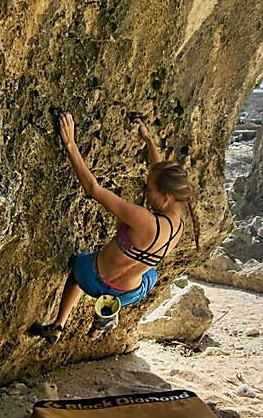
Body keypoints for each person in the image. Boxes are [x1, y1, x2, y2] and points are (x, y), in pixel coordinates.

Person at [28, 112, 201, 344]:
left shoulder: (143, 218)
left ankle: (58, 325)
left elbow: (93, 189)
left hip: (92, 278)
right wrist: (148, 140)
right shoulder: (178, 227)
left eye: (149, 190)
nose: (146, 193)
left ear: (167, 197)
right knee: (151, 273)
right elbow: (159, 172)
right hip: (130, 294)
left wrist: (70, 144)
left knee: (77, 270)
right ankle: (106, 315)